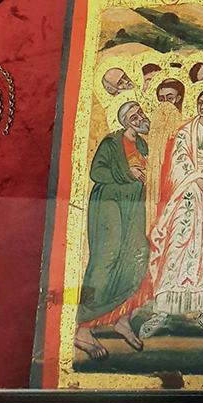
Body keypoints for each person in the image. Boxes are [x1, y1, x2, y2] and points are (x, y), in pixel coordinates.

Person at [141, 89, 203, 337]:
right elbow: (179, 159)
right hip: (184, 196)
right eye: (200, 102)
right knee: (176, 247)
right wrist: (197, 177)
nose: (202, 106)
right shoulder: (185, 131)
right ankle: (162, 311)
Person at [74, 101, 151, 359]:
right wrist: (128, 172)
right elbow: (97, 172)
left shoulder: (143, 145)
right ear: (125, 121)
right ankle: (83, 328)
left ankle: (122, 318)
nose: (140, 118)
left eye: (140, 113)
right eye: (134, 115)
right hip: (109, 205)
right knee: (106, 259)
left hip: (133, 206)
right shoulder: (111, 143)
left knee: (136, 254)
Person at [145, 79, 186, 231]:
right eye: (161, 99)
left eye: (170, 98)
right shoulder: (155, 122)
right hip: (157, 173)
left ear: (178, 99)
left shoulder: (185, 123)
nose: (165, 104)